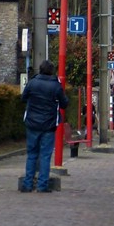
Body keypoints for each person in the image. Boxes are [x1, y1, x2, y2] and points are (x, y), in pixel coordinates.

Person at [20, 59, 69, 193]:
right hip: (48, 124)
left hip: (32, 123)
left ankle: (28, 184)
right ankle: (42, 185)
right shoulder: (55, 86)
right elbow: (64, 103)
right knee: (45, 155)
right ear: (52, 71)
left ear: (40, 69)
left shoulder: (32, 83)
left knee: (31, 154)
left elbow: (23, 98)